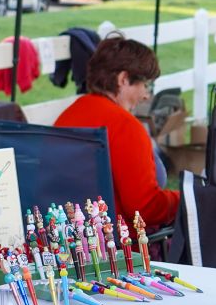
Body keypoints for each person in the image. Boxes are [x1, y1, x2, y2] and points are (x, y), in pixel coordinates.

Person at [54, 33, 178, 229]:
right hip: (119, 249)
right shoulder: (125, 126)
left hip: (70, 239)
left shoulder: (66, 117)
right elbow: (145, 209)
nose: (146, 95)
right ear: (124, 79)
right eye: (145, 85)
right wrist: (187, 199)